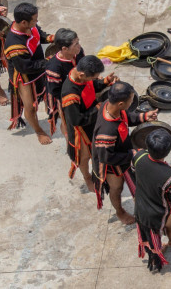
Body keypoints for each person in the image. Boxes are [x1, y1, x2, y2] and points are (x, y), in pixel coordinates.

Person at [92, 81, 157, 224]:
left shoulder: (110, 106)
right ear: (121, 103)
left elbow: (127, 117)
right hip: (110, 163)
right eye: (130, 100)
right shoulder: (107, 131)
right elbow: (106, 156)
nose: (132, 102)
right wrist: (131, 155)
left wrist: (144, 117)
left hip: (120, 150)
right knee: (117, 187)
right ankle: (119, 211)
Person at [134, 129, 171, 273]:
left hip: (141, 207)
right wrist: (167, 170)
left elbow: (146, 171)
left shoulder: (139, 156)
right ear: (167, 152)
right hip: (158, 211)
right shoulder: (170, 176)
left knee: (149, 235)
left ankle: (156, 252)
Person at [61, 55, 116, 192]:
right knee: (84, 158)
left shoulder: (82, 75)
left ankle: (100, 172)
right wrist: (98, 108)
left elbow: (91, 85)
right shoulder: (70, 94)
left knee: (98, 151)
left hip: (92, 120)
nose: (94, 79)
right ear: (82, 74)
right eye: (93, 77)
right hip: (81, 130)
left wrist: (105, 81)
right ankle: (87, 177)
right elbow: (76, 120)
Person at [4, 2, 54, 144]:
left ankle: (47, 106)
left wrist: (52, 38)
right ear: (24, 22)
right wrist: (49, 61)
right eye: (34, 20)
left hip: (39, 67)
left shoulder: (29, 26)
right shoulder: (14, 44)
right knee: (30, 106)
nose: (36, 22)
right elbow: (25, 67)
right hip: (25, 76)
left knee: (47, 91)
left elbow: (40, 34)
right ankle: (39, 131)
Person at [45, 28, 84, 139]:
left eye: (78, 42)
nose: (79, 46)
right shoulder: (54, 68)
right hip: (65, 98)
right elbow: (55, 91)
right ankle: (69, 141)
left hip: (79, 91)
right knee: (67, 122)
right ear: (64, 49)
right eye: (76, 44)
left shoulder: (79, 52)